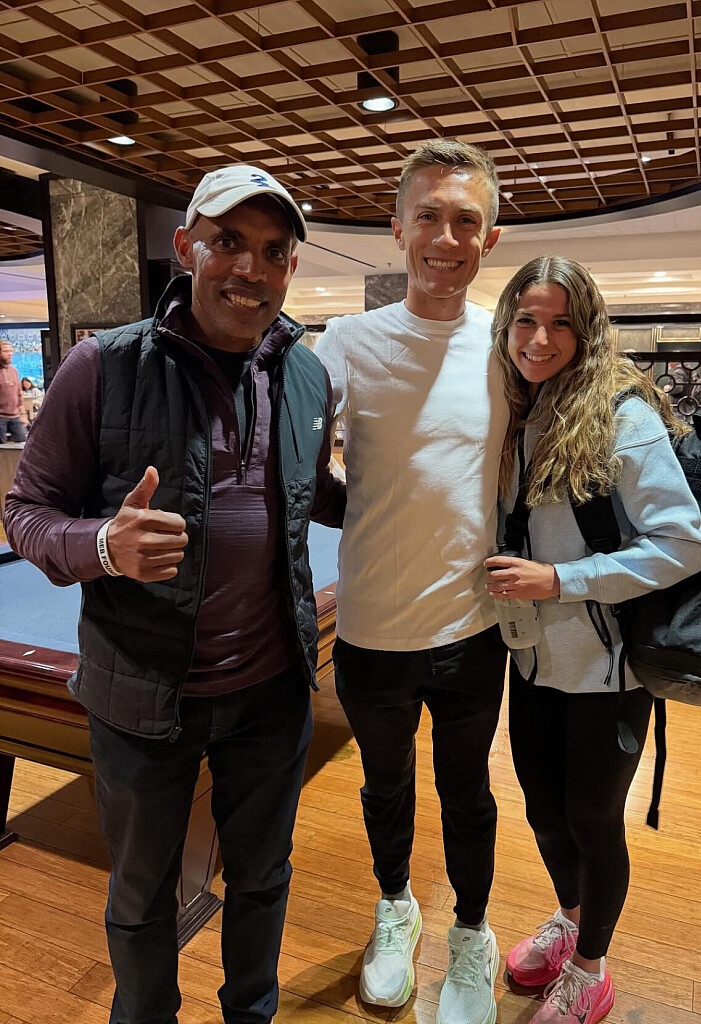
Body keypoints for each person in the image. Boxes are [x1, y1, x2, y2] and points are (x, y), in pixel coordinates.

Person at [4, 164, 345, 1024]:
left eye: (274, 250)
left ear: (292, 267)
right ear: (187, 246)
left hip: (273, 692)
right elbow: (26, 513)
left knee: (264, 878)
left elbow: (311, 498)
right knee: (142, 896)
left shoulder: (306, 378)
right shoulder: (101, 366)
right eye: (229, 241)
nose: (251, 268)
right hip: (143, 697)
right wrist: (103, 547)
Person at [484, 256, 701, 1024]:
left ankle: (591, 966)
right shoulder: (520, 410)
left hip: (608, 671)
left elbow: (682, 545)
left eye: (561, 323)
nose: (540, 338)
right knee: (544, 812)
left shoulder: (621, 415)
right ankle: (571, 918)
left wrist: (559, 580)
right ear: (506, 325)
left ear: (587, 330)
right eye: (526, 320)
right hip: (531, 660)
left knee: (592, 820)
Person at [315, 140, 509, 1024]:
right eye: (428, 216)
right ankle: (395, 906)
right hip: (371, 629)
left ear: (489, 239)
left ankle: (472, 929)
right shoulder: (347, 342)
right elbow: (293, 469)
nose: (445, 237)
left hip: (474, 630)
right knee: (384, 786)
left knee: (467, 793)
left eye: (465, 220)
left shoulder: (507, 345)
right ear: (397, 230)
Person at [0, 341, 26, 442]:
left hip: (15, 415)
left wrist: (23, 415)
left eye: (11, 351)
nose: (10, 354)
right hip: (0, 417)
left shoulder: (14, 371)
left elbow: (19, 395)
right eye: (6, 351)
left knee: (23, 442)